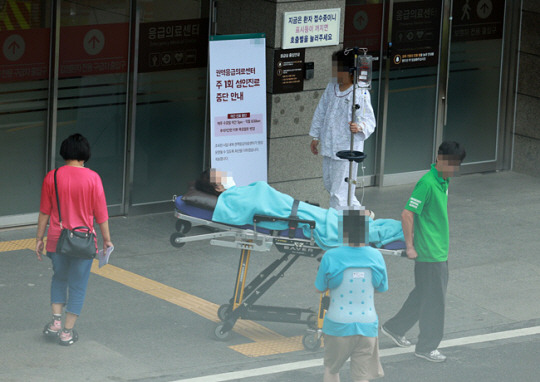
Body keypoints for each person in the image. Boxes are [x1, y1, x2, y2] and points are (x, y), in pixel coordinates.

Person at [380, 141, 466, 362]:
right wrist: (410, 246)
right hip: (429, 253)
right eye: (452, 164)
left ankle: (395, 327)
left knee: (424, 294)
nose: (455, 170)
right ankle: (427, 347)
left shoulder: (443, 181)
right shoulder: (427, 183)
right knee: (435, 302)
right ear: (440, 159)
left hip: (439, 250)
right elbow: (407, 214)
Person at [193, 169, 403, 250]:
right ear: (217, 187)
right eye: (220, 175)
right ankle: (402, 231)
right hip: (296, 218)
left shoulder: (237, 192)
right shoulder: (231, 199)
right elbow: (256, 206)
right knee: (337, 225)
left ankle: (388, 227)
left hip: (298, 210)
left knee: (335, 219)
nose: (226, 173)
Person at [35, 133, 113, 346]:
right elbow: (101, 214)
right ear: (85, 154)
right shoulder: (93, 178)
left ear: (64, 152)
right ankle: (67, 333)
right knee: (78, 284)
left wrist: (39, 238)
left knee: (59, 278)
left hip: (56, 239)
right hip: (83, 241)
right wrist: (107, 240)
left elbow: (44, 212)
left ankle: (56, 323)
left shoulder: (52, 176)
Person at [315, 209, 388, 382]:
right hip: (368, 325)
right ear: (366, 232)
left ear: (343, 231)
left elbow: (319, 288)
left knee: (331, 369)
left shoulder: (330, 256)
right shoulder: (376, 256)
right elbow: (381, 287)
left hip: (338, 324)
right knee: (361, 376)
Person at [309, 49, 376, 210]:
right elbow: (321, 110)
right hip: (329, 146)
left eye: (338, 69)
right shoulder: (331, 87)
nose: (335, 72)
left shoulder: (360, 92)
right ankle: (362, 220)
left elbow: (369, 120)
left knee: (340, 195)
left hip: (347, 150)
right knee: (332, 187)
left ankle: (340, 231)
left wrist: (360, 127)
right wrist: (315, 136)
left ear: (350, 72)